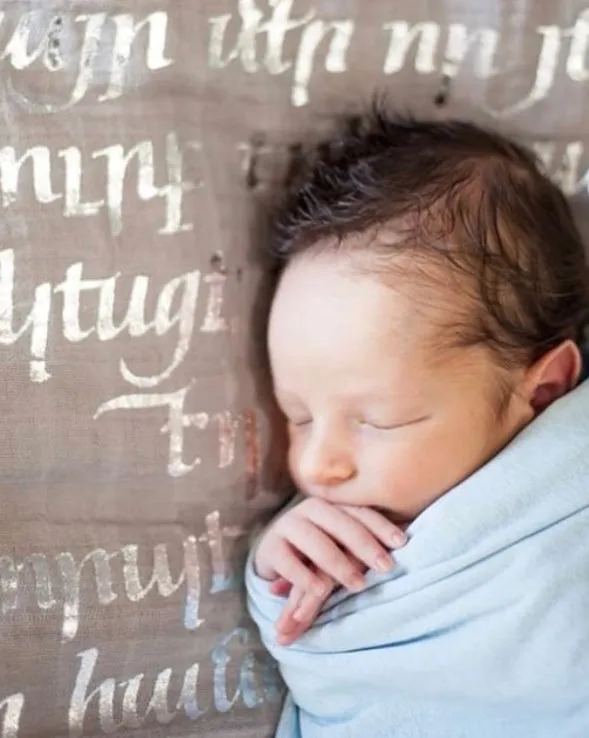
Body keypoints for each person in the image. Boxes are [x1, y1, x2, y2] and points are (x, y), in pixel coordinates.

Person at [245, 104, 589, 737]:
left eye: (380, 420)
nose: (319, 464)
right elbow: (315, 648)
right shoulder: (339, 509)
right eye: (298, 416)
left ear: (542, 393)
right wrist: (276, 572)